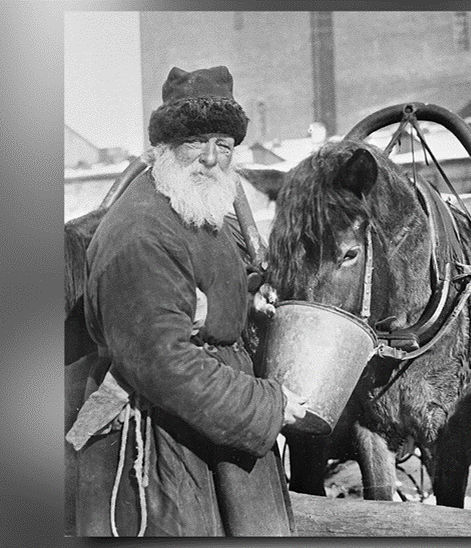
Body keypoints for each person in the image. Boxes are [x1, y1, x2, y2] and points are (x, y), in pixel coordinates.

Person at [66, 66, 307, 537]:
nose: (213, 159)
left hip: (209, 435)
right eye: (197, 142)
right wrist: (268, 405)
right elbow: (163, 363)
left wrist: (234, 304)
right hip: (162, 453)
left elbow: (192, 295)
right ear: (163, 149)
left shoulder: (192, 210)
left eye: (224, 144)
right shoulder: (141, 230)